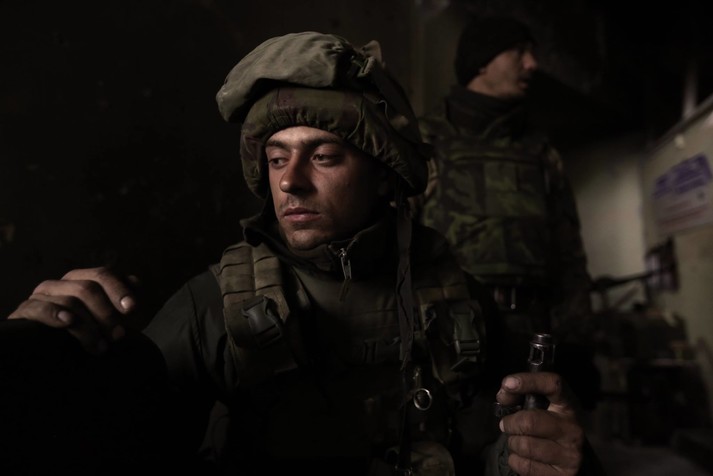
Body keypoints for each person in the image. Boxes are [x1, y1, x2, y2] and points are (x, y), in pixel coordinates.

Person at [3, 32, 600, 476]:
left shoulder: (453, 293)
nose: (290, 181)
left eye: (324, 156)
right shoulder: (218, 302)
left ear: (383, 174)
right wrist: (34, 360)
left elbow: (505, 446)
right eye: (276, 157)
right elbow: (108, 437)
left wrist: (543, 455)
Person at [412, 16, 595, 368]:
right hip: (446, 337)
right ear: (482, 61)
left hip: (531, 337)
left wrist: (578, 342)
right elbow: (391, 246)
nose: (532, 64)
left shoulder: (540, 152)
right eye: (519, 52)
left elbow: (569, 255)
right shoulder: (425, 141)